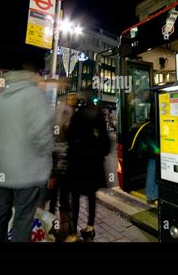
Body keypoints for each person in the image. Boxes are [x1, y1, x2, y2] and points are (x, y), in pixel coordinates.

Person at [0, 68, 53, 242]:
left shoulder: (2, 97)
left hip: (1, 168)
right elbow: (41, 135)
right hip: (26, 170)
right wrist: (47, 158)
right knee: (23, 217)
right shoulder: (34, 95)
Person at [64, 91, 110, 242]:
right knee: (91, 196)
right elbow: (105, 141)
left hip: (78, 162)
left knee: (75, 197)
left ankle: (72, 234)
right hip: (94, 163)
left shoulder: (78, 115)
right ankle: (90, 228)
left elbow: (69, 135)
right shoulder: (99, 114)